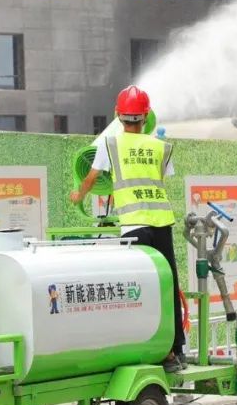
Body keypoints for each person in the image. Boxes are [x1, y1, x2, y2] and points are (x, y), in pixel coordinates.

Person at [70, 85, 186, 372]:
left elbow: (93, 176)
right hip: (161, 221)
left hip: (134, 224)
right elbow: (159, 176)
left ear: (116, 115)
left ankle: (148, 347)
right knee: (167, 283)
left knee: (141, 287)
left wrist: (79, 195)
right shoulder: (160, 147)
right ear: (146, 116)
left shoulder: (110, 145)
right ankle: (175, 349)